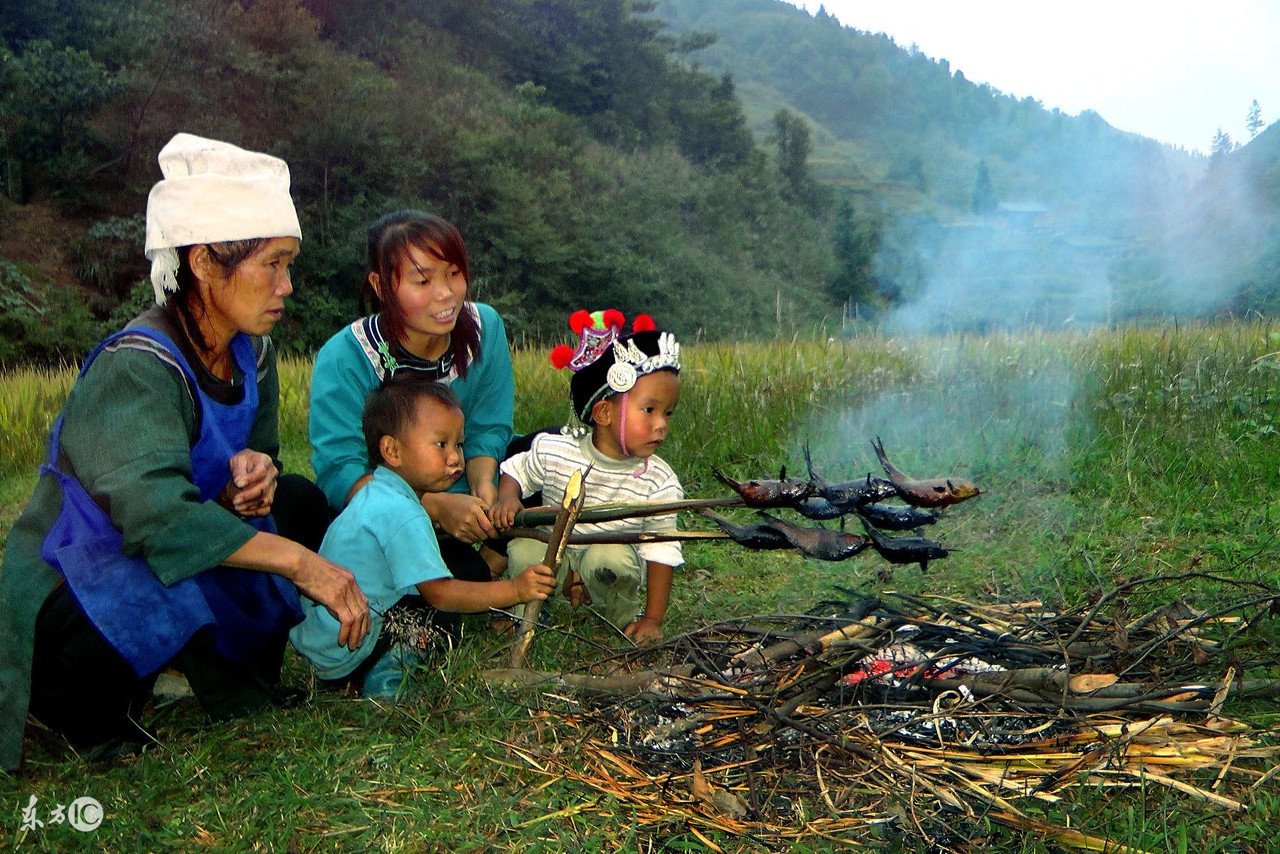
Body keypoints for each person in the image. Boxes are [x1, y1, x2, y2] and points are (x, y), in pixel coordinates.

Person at [0, 133, 370, 771]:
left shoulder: (254, 349)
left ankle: (213, 664)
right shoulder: (136, 367)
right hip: (85, 569)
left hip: (182, 535)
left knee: (301, 501)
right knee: (146, 583)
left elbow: (260, 450)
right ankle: (76, 714)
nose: (286, 286)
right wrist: (304, 566)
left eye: (290, 264)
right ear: (203, 262)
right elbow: (156, 519)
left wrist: (257, 477)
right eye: (272, 264)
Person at [291, 375, 555, 698]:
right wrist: (514, 589)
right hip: (346, 646)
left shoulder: (376, 491)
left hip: (320, 637)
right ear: (392, 450)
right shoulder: (404, 513)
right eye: (440, 444)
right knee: (441, 618)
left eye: (458, 443)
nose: (456, 457)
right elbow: (440, 594)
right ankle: (388, 680)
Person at [309, 211, 514, 583]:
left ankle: (487, 554)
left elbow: (488, 425)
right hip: (386, 509)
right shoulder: (345, 357)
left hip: (464, 486)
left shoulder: (486, 328)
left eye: (454, 273)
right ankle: (474, 566)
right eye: (422, 280)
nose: (446, 293)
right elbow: (342, 471)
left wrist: (485, 488)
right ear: (380, 284)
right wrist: (432, 506)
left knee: (544, 455)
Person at [490, 310, 683, 644]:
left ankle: (621, 622)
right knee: (523, 549)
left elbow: (661, 551)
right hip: (554, 556)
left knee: (608, 559)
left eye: (668, 413)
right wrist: (508, 497)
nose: (661, 424)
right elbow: (514, 469)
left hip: (606, 562)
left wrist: (653, 618)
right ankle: (524, 611)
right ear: (603, 413)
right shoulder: (555, 450)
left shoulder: (659, 481)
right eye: (649, 410)